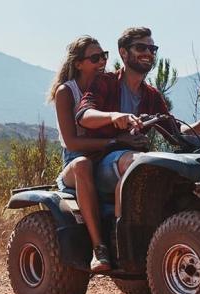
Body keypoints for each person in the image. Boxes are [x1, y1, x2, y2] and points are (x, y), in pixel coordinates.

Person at [76, 27, 200, 216]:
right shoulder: (106, 82)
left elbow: (175, 132)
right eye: (141, 48)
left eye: (152, 49)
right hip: (102, 161)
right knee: (139, 164)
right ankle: (122, 237)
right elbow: (84, 116)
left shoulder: (151, 95)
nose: (148, 53)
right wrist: (113, 116)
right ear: (123, 52)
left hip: (135, 160)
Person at [49, 36, 145, 272]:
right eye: (94, 58)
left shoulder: (105, 87)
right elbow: (71, 142)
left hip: (104, 157)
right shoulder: (66, 92)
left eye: (104, 56)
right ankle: (98, 247)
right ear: (79, 63)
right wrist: (113, 140)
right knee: (82, 165)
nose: (101, 62)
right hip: (75, 161)